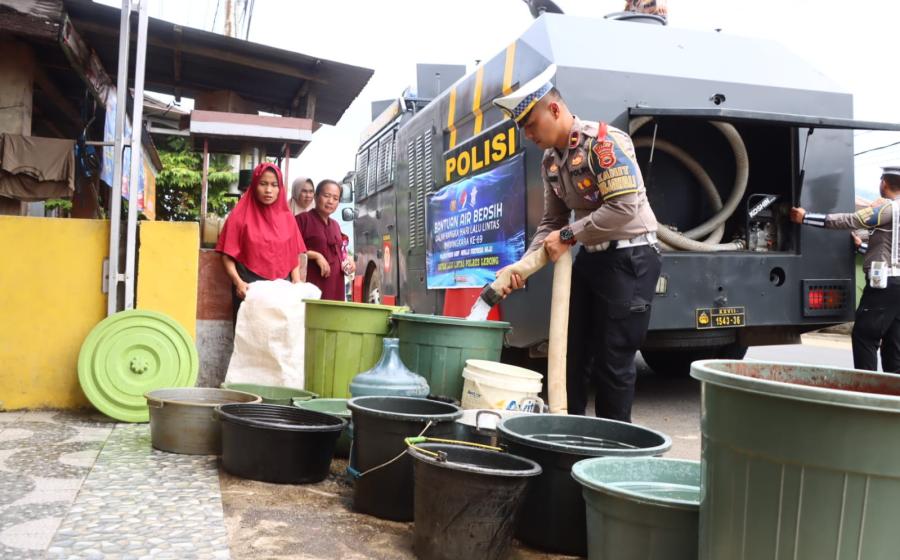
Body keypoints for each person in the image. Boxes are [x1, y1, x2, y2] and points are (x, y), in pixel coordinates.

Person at [492, 65, 661, 422]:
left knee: (612, 361)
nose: (527, 134)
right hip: (592, 259)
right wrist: (520, 268)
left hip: (630, 259)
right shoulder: (551, 161)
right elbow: (552, 223)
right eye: (522, 127)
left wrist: (568, 236)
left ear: (554, 109)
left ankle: (612, 454)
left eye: (531, 124)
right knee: (570, 353)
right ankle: (570, 438)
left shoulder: (602, 142)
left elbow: (623, 208)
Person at [790, 167, 900, 372]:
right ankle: (893, 396)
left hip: (886, 286)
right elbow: (891, 250)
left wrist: (805, 217)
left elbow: (851, 220)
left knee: (864, 336)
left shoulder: (888, 209)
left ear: (884, 182)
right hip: (897, 286)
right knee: (893, 343)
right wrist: (863, 247)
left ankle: (867, 393)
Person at [216, 162, 307, 323]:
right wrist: (238, 282)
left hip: (281, 292)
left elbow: (292, 255)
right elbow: (226, 255)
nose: (268, 190)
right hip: (249, 290)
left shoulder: (287, 219)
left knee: (278, 340)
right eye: (263, 184)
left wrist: (296, 282)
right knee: (249, 341)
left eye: (274, 185)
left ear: (281, 188)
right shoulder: (239, 215)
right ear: (254, 185)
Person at [296, 179, 356, 300]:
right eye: (326, 196)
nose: (330, 201)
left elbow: (340, 251)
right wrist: (316, 256)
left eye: (335, 198)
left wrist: (349, 260)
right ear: (316, 196)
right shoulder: (302, 220)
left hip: (336, 284)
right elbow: (291, 249)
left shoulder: (335, 225)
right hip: (312, 283)